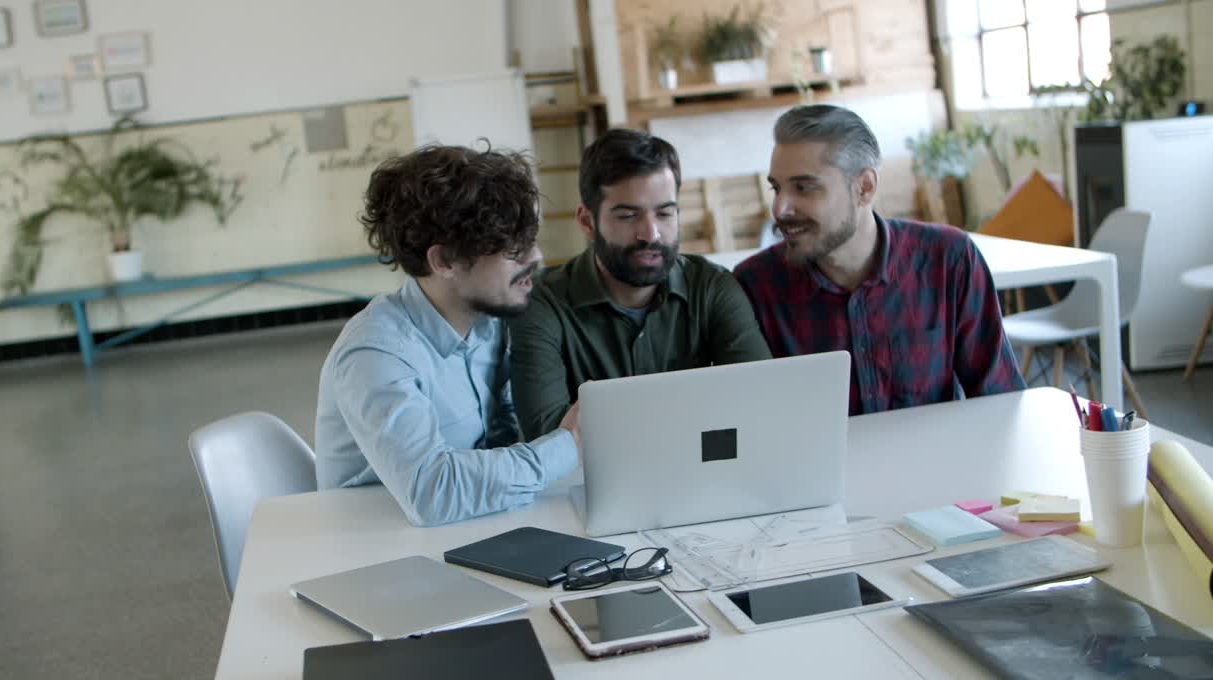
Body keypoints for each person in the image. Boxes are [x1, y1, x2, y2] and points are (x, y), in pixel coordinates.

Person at [314, 145, 580, 526]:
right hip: (380, 552)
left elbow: (501, 447)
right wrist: (567, 445)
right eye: (512, 250)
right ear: (444, 261)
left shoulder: (491, 324)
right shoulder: (375, 351)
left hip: (470, 530)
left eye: (531, 240)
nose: (535, 258)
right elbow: (432, 492)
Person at [733, 104, 1024, 415]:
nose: (780, 208)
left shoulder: (948, 260)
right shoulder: (755, 286)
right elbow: (749, 423)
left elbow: (1000, 400)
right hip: (820, 465)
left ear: (864, 187)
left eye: (803, 187)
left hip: (935, 461)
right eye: (776, 188)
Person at [508, 129, 770, 440]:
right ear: (587, 222)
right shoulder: (541, 304)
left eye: (664, 213)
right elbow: (550, 439)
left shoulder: (713, 287)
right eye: (628, 216)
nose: (651, 234)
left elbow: (759, 406)